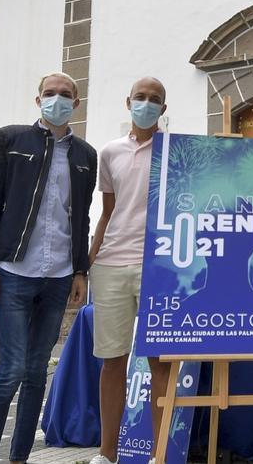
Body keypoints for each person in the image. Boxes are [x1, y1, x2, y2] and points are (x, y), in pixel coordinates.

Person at [0, 72, 98, 464]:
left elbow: (81, 217)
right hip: (13, 271)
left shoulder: (86, 155)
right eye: (49, 93)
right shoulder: (9, 139)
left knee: (37, 370)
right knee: (10, 370)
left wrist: (80, 271)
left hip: (59, 276)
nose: (56, 99)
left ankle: (19, 457)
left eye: (64, 95)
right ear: (37, 98)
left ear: (76, 103)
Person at [89, 77, 169, 464]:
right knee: (112, 359)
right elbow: (108, 212)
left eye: (155, 100)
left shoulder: (175, 151)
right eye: (141, 98)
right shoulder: (110, 152)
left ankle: (159, 455)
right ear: (128, 102)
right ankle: (107, 454)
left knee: (160, 361)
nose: (147, 104)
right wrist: (88, 260)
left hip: (159, 264)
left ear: (163, 110)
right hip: (110, 264)